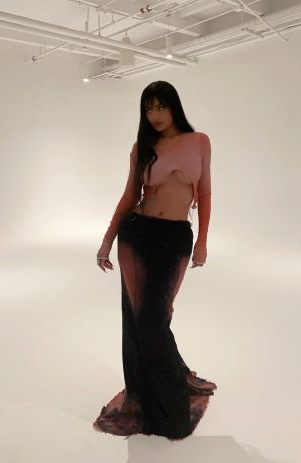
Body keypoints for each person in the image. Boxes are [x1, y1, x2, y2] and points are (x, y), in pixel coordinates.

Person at [92, 81, 217, 441]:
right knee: (139, 321)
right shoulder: (142, 148)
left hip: (176, 238)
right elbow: (129, 195)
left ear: (174, 106)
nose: (154, 115)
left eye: (161, 106)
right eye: (148, 109)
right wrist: (107, 240)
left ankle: (171, 402)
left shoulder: (200, 141)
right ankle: (151, 401)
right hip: (137, 234)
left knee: (156, 319)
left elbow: (205, 192)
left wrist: (202, 241)